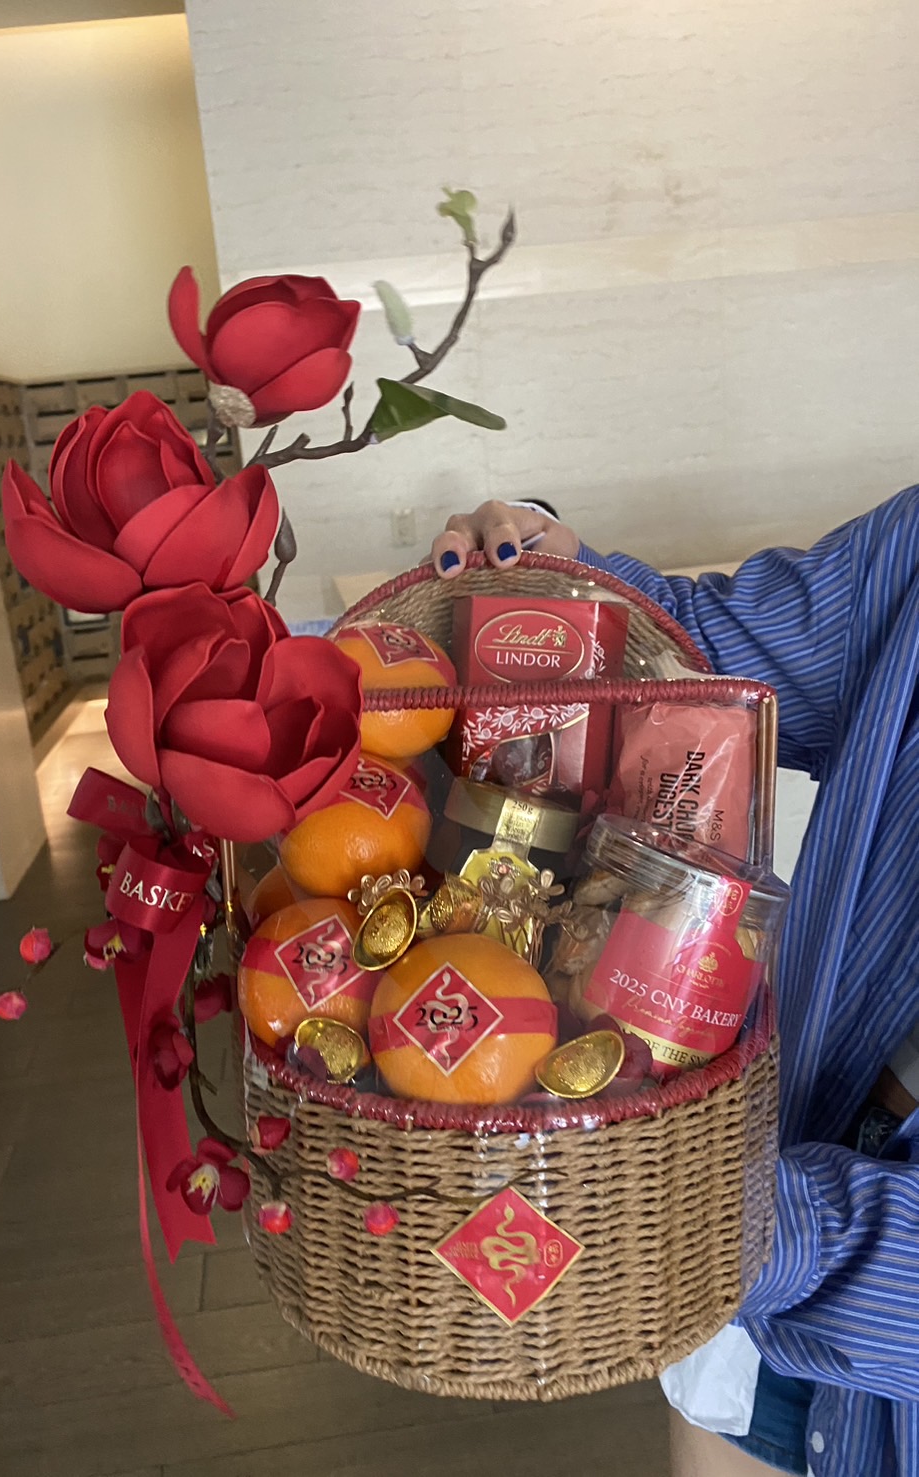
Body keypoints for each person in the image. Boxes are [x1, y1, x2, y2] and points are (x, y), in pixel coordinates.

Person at [430, 495, 919, 1477]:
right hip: (762, 1185)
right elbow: (712, 652)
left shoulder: (730, 1220)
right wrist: (560, 584)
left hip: (816, 1284)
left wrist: (731, 1218)